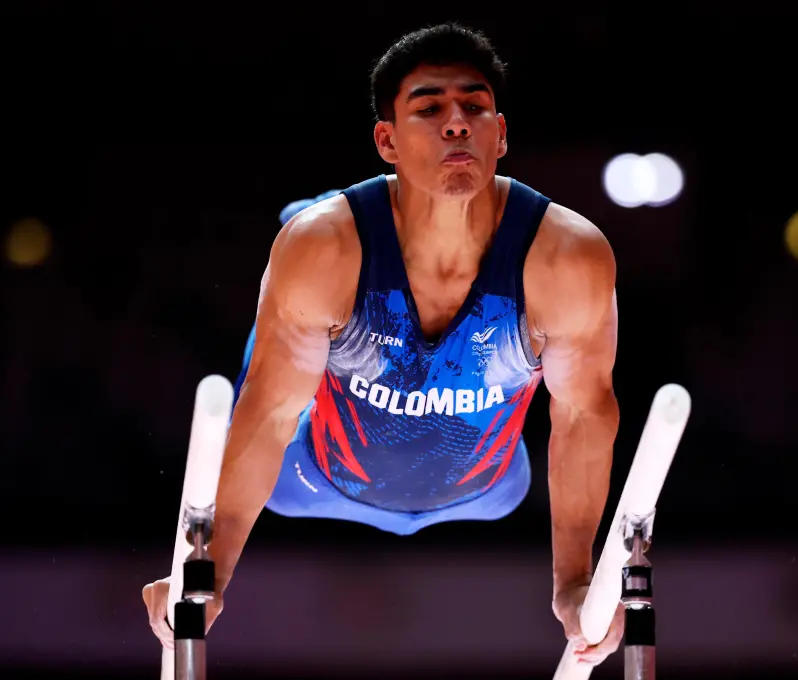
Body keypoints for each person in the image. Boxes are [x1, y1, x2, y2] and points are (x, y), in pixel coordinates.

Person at [142, 23, 623, 668]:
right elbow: (272, 415)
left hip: (486, 489)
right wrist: (209, 576)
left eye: (474, 107)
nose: (457, 123)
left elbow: (583, 416)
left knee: (325, 278)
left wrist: (575, 585)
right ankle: (309, 236)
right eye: (429, 108)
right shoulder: (328, 253)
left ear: (501, 134)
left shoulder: (568, 257)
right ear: (386, 140)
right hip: (310, 475)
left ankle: (318, 263)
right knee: (303, 287)